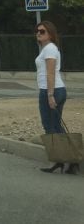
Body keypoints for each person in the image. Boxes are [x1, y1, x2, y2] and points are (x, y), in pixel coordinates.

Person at [36, 20, 78, 174]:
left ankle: (63, 160)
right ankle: (65, 160)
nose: (38, 34)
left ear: (50, 34)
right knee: (54, 125)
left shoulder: (50, 49)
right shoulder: (48, 49)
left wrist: (50, 94)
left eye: (42, 31)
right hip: (52, 90)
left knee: (50, 126)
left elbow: (51, 73)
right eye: (38, 31)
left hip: (52, 90)